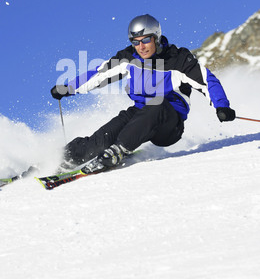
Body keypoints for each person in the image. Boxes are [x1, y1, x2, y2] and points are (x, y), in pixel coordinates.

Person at [51, 14, 236, 170]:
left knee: (158, 104)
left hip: (169, 123)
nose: (141, 47)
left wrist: (222, 106)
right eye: (136, 42)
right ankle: (61, 160)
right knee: (100, 140)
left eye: (146, 40)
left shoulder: (178, 60)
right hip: (140, 114)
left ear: (156, 37)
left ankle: (119, 150)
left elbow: (207, 81)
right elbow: (99, 74)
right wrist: (68, 88)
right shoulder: (129, 57)